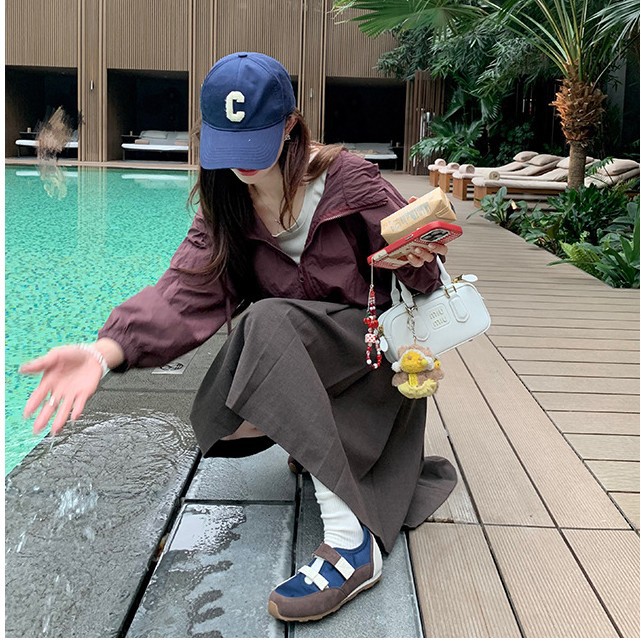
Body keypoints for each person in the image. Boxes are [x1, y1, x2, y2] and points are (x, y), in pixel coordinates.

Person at [21, 52, 457, 622]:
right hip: (310, 364)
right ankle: (321, 443)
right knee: (223, 414)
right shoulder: (227, 206)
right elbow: (182, 291)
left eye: (256, 142)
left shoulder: (350, 181)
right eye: (229, 145)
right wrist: (104, 353)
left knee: (266, 321)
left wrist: (420, 260)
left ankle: (352, 544)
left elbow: (425, 277)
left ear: (290, 126)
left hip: (372, 356)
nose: (242, 163)